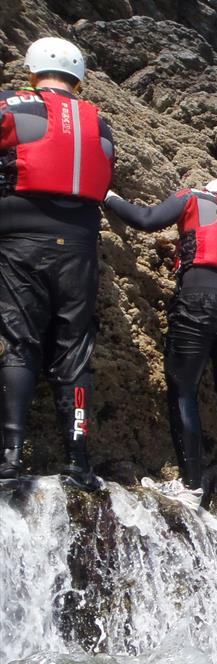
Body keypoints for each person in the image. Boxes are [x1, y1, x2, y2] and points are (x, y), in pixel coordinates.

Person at [104, 178, 217, 508]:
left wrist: (110, 197)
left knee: (184, 388)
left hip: (198, 298)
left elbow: (146, 220)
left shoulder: (194, 197)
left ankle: (191, 485)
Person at [0, 38, 116, 491]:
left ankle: (10, 457)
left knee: (20, 342)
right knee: (73, 351)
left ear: (32, 70)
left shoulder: (10, 103)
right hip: (80, 242)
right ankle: (78, 459)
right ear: (79, 77)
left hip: (19, 237)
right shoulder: (99, 122)